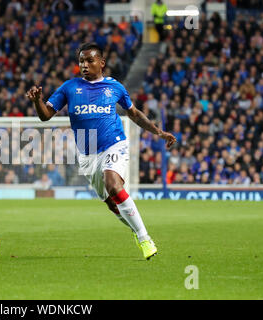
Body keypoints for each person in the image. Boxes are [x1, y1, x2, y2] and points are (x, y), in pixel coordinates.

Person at [26, 43, 176, 260]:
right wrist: (37, 101)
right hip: (87, 156)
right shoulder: (70, 87)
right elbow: (45, 115)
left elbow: (133, 113)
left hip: (114, 144)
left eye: (89, 61)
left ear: (101, 63)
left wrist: (159, 132)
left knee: (113, 184)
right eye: (81, 61)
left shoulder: (115, 87)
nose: (84, 65)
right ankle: (136, 230)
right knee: (111, 202)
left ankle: (145, 238)